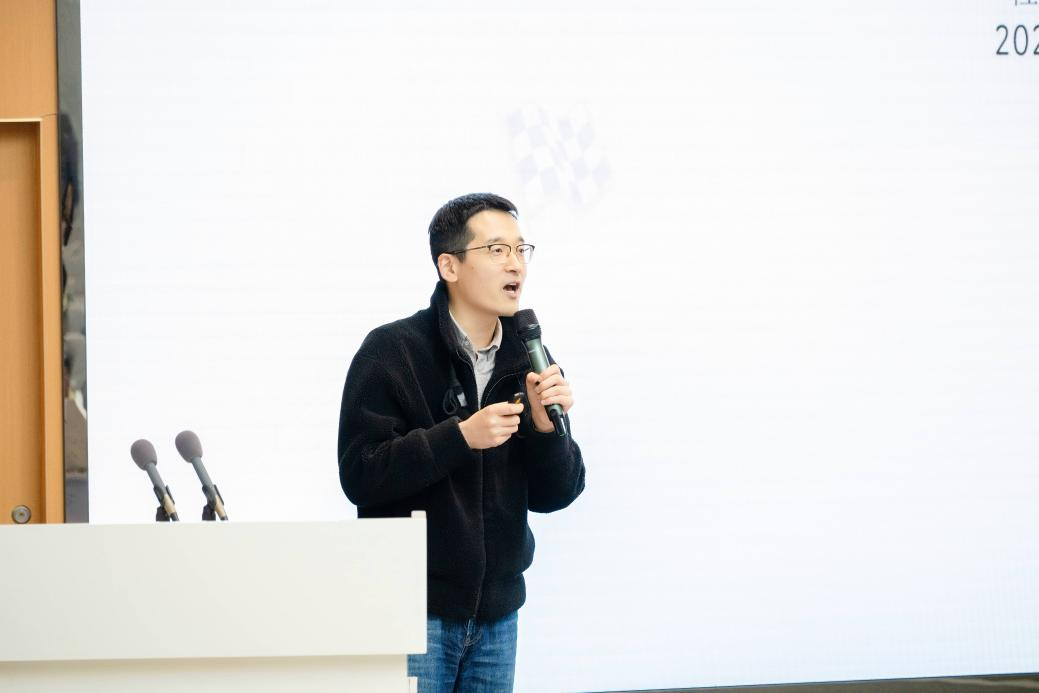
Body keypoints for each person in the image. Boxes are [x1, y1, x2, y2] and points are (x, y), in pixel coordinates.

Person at [338, 192, 586, 692]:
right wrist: (460, 437)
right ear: (448, 266)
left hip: (499, 617)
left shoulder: (528, 355)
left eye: (520, 249)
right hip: (414, 613)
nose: (515, 263)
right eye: (497, 250)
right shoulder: (392, 351)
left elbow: (557, 494)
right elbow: (362, 473)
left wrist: (545, 431)